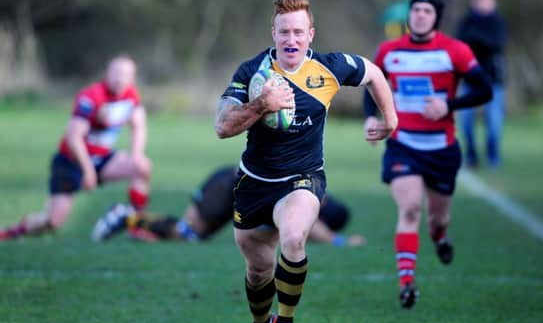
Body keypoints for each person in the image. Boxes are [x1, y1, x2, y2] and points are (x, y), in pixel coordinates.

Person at [214, 0, 397, 323]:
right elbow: (222, 126)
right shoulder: (253, 72)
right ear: (274, 33)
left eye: (299, 31)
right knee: (258, 270)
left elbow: (374, 73)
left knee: (295, 237)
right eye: (284, 31)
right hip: (253, 182)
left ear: (310, 34)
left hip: (303, 178)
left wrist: (390, 118)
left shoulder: (329, 68)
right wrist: (261, 105)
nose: (291, 39)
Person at [363, 0, 492, 309]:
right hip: (403, 145)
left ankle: (439, 237)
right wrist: (370, 117)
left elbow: (485, 90)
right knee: (409, 209)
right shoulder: (389, 51)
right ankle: (407, 282)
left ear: (436, 16)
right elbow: (372, 85)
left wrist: (449, 104)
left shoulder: (454, 51)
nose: (420, 15)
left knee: (438, 218)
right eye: (415, 9)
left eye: (426, 10)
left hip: (442, 149)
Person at [0, 56, 151, 241]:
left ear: (132, 78)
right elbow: (73, 136)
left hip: (102, 159)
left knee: (141, 166)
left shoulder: (131, 96)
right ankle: (13, 231)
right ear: (107, 74)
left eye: (126, 74)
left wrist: (136, 153)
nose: (120, 78)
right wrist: (87, 170)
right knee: (52, 222)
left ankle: (135, 224)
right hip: (72, 162)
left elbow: (139, 124)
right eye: (116, 73)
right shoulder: (91, 96)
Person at [91, 165, 366, 247]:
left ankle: (133, 222)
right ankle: (127, 216)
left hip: (232, 186)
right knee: (190, 231)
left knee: (193, 235)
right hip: (227, 185)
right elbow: (314, 227)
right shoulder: (308, 195)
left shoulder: (310, 186)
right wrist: (341, 242)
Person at [456, 0, 507, 168]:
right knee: (466, 123)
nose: (484, 4)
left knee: (494, 123)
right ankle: (471, 156)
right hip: (469, 81)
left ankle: (493, 156)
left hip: (493, 81)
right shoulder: (466, 21)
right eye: (480, 0)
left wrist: (477, 39)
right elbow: (460, 45)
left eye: (487, 0)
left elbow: (497, 45)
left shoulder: (498, 22)